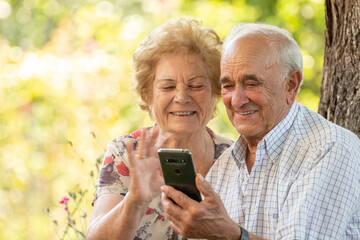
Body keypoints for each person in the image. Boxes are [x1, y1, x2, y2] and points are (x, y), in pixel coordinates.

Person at [160, 23, 360, 239]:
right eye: (227, 86)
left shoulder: (329, 149)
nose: (237, 100)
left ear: (291, 84)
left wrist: (230, 235)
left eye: (252, 83)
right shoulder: (224, 167)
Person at [86, 18, 233, 240]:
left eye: (196, 86)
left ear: (215, 93)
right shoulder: (124, 154)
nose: (182, 97)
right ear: (148, 95)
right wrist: (135, 200)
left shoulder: (234, 157)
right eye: (168, 86)